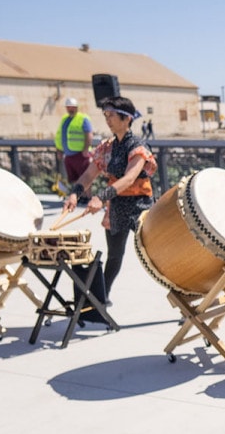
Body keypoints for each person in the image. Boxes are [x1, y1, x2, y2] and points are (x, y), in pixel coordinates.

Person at [62, 96, 156, 302]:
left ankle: (185, 292)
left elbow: (129, 178)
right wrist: (74, 193)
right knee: (114, 254)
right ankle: (102, 297)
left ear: (126, 119)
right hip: (117, 204)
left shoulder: (138, 147)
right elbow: (89, 174)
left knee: (158, 253)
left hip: (141, 205)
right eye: (105, 115)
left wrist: (101, 198)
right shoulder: (106, 147)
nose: (107, 119)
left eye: (111, 115)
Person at [54, 97, 94, 187]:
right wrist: (59, 149)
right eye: (68, 107)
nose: (70, 109)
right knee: (74, 179)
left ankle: (86, 198)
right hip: (68, 155)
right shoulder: (64, 119)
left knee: (84, 178)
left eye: (73, 107)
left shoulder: (83, 118)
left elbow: (89, 135)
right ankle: (78, 197)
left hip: (80, 155)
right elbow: (60, 135)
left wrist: (86, 149)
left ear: (77, 107)